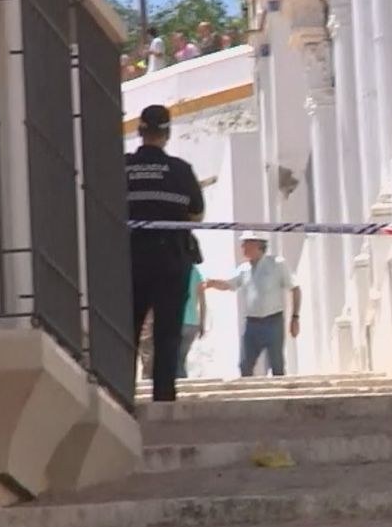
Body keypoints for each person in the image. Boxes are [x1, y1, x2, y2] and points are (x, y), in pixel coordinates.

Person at [127, 104, 205, 402]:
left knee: (128, 329)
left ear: (140, 131)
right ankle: (163, 394)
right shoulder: (180, 171)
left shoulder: (122, 167)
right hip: (171, 258)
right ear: (167, 134)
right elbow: (196, 214)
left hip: (130, 258)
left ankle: (122, 392)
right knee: (167, 331)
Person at [206, 231, 301, 377]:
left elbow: (295, 288)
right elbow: (229, 284)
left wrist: (295, 318)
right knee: (245, 364)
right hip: (252, 324)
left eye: (246, 244)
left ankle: (280, 397)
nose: (242, 247)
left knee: (277, 365)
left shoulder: (277, 264)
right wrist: (212, 283)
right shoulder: (244, 269)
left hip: (273, 321)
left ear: (257, 245)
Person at [177, 262, 208, 379]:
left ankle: (179, 387)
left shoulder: (172, 268)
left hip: (177, 322)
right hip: (192, 323)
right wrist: (202, 323)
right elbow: (202, 301)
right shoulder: (195, 271)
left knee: (175, 359)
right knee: (181, 358)